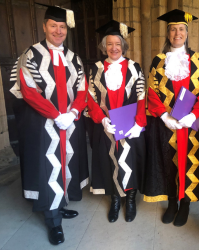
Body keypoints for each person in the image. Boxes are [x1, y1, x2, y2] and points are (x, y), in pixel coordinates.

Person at [9, 4, 89, 245]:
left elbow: (83, 89)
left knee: (66, 163)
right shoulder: (30, 54)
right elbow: (29, 91)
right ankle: (53, 220)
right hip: (43, 124)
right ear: (44, 26)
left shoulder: (74, 58)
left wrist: (73, 111)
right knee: (48, 167)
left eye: (62, 27)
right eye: (53, 25)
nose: (58, 30)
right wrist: (57, 115)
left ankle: (60, 204)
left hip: (70, 124)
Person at [144, 9, 199, 227]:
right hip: (166, 124)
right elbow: (151, 92)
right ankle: (172, 203)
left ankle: (185, 204)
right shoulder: (158, 61)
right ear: (167, 33)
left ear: (187, 32)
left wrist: (194, 114)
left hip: (190, 126)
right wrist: (164, 115)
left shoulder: (198, 60)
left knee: (189, 164)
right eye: (173, 29)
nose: (177, 33)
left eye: (181, 29)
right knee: (168, 163)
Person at [86, 20, 147, 223]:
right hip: (106, 127)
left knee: (129, 161)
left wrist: (139, 123)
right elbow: (90, 99)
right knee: (109, 160)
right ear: (104, 46)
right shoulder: (95, 69)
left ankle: (129, 198)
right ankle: (114, 199)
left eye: (118, 44)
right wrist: (102, 120)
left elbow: (141, 96)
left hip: (130, 126)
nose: (114, 48)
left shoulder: (134, 67)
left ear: (123, 46)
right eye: (110, 44)